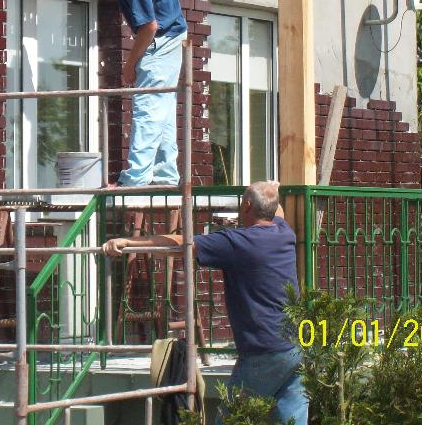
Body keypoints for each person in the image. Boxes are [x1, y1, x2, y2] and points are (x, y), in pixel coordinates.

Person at [102, 181, 308, 425]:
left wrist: (129, 243)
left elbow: (180, 244)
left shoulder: (237, 242)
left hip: (264, 350)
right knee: (292, 419)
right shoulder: (284, 233)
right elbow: (277, 211)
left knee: (231, 419)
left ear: (247, 206)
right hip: (298, 344)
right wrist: (274, 189)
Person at [56, 0, 187, 186]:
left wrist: (130, 64)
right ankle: (166, 175)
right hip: (173, 35)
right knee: (160, 109)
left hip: (160, 39)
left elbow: (148, 27)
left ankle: (136, 179)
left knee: (147, 108)